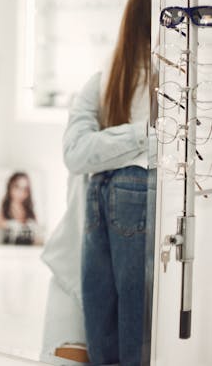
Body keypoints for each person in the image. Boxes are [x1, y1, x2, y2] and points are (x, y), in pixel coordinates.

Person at [39, 68, 155, 365]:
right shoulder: (104, 81)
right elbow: (76, 152)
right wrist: (148, 133)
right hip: (73, 262)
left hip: (132, 263)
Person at [78, 0, 151, 366]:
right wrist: (147, 134)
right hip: (138, 187)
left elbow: (78, 153)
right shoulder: (171, 76)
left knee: (101, 314)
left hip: (99, 188)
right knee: (136, 323)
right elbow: (75, 152)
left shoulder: (110, 76)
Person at [0, 172, 42, 245]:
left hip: (28, 255)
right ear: (10, 187)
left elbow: (37, 241)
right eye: (17, 187)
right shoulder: (1, 215)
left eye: (25, 189)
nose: (21, 192)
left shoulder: (31, 215)